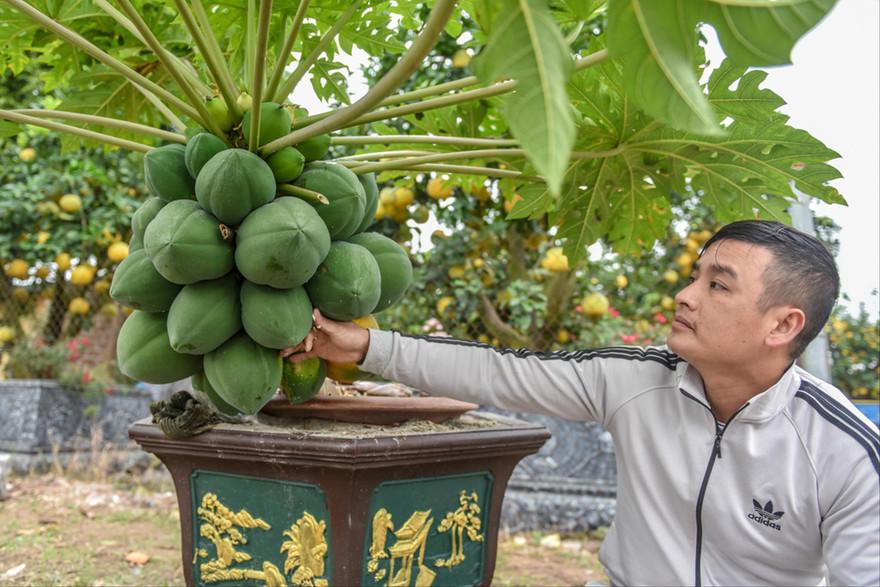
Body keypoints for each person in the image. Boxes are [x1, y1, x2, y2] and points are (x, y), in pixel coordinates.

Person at [281, 219, 880, 586]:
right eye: (694, 276)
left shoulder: (845, 452)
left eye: (716, 285)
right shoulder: (634, 381)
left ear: (783, 326)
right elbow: (497, 372)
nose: (685, 295)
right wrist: (361, 345)